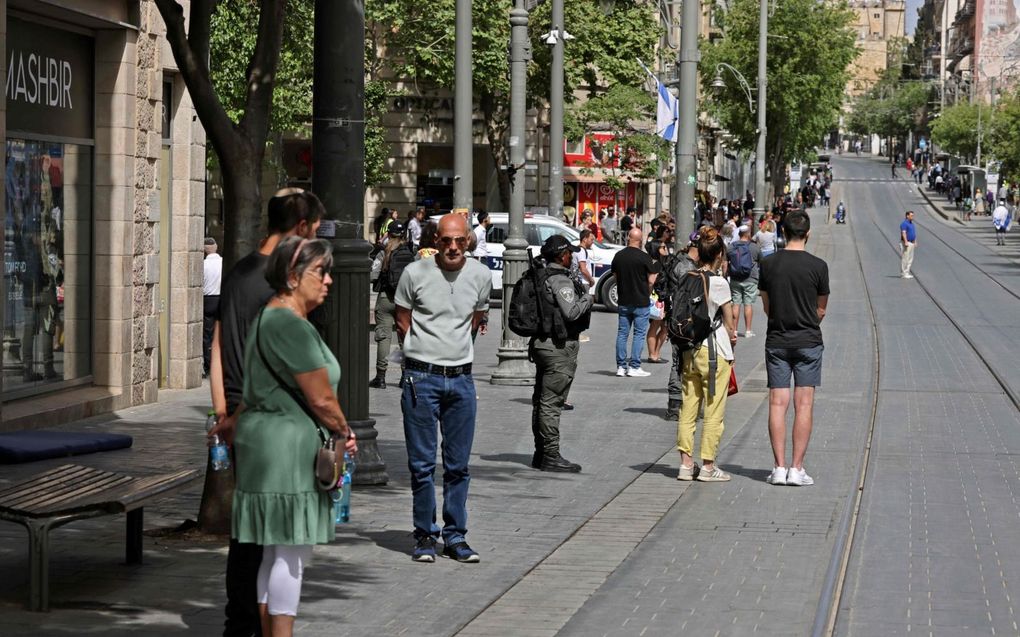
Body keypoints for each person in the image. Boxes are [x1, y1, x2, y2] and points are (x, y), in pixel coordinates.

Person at [208, 188, 323, 637]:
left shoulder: (239, 271)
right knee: (278, 542)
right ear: (301, 228)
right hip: (267, 421)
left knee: (250, 534)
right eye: (314, 231)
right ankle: (252, 626)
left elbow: (217, 347)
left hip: (239, 416)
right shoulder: (279, 285)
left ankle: (240, 624)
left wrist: (223, 413)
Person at [232, 237, 358, 637]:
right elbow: (320, 396)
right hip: (285, 452)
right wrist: (344, 429)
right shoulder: (288, 324)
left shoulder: (272, 317)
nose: (328, 280)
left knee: (274, 553)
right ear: (292, 275)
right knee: (291, 552)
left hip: (268, 447)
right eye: (320, 271)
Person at [394, 214, 492, 563]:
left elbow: (475, 320)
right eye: (446, 240)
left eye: (459, 241)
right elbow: (402, 318)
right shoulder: (414, 274)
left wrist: (454, 352)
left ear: (469, 241)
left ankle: (455, 537)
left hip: (462, 380)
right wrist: (425, 351)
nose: (452, 247)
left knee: (458, 466)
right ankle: (424, 535)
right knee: (422, 465)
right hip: (422, 378)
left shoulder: (481, 276)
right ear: (435, 239)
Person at [759, 210, 829, 487]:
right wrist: (807, 319)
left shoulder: (768, 264)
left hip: (777, 339)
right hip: (808, 341)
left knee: (777, 403)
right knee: (804, 404)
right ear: (808, 234)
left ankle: (778, 467)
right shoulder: (818, 266)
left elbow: (766, 305)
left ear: (782, 233)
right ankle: (797, 469)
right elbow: (821, 308)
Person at [677, 228, 737, 482]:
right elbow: (729, 318)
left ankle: (685, 466)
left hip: (689, 350)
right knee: (714, 410)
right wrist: (733, 336)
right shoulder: (719, 282)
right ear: (719, 255)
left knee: (688, 408)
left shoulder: (688, 276)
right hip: (714, 351)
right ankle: (708, 467)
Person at [530, 235, 594, 473]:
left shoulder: (543, 274)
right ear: (560, 255)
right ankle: (551, 455)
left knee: (541, 400)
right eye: (569, 253)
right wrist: (589, 297)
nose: (572, 256)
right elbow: (571, 312)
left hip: (542, 344)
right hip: (558, 347)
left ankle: (541, 452)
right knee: (551, 403)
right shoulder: (560, 280)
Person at [369, 222, 414, 389]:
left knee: (383, 337)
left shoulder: (384, 252)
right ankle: (404, 377)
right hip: (405, 301)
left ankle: (380, 377)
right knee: (403, 339)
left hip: (386, 298)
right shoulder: (410, 252)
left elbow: (373, 275)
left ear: (389, 234)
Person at [610, 228, 659, 378]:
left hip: (624, 300)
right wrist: (648, 289)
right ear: (640, 240)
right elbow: (651, 280)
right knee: (639, 334)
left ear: (628, 238)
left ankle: (620, 367)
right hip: (641, 301)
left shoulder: (618, 256)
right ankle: (634, 367)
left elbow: (615, 276)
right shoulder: (644, 257)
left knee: (622, 333)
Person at [664, 233, 700, 421]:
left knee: (679, 362)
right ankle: (676, 405)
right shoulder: (686, 267)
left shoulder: (682, 261)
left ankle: (676, 405)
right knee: (680, 362)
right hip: (682, 322)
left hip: (677, 320)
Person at [727, 225, 762, 338]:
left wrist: (725, 275)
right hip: (750, 279)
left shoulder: (731, 247)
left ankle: (735, 330)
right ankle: (748, 331)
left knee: (735, 304)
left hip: (735, 278)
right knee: (748, 304)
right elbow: (761, 261)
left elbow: (725, 263)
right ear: (748, 234)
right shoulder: (754, 247)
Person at [203, 237, 223, 378]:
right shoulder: (223, 263)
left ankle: (209, 365)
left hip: (207, 300)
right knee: (221, 333)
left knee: (207, 335)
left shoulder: (203, 265)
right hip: (221, 298)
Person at [899, 210, 917, 279]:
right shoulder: (904, 224)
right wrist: (906, 241)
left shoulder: (911, 224)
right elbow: (903, 233)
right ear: (907, 216)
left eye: (913, 215)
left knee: (910, 258)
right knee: (905, 258)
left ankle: (907, 272)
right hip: (907, 243)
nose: (913, 217)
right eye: (911, 215)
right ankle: (903, 273)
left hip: (912, 242)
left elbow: (913, 233)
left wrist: (915, 241)